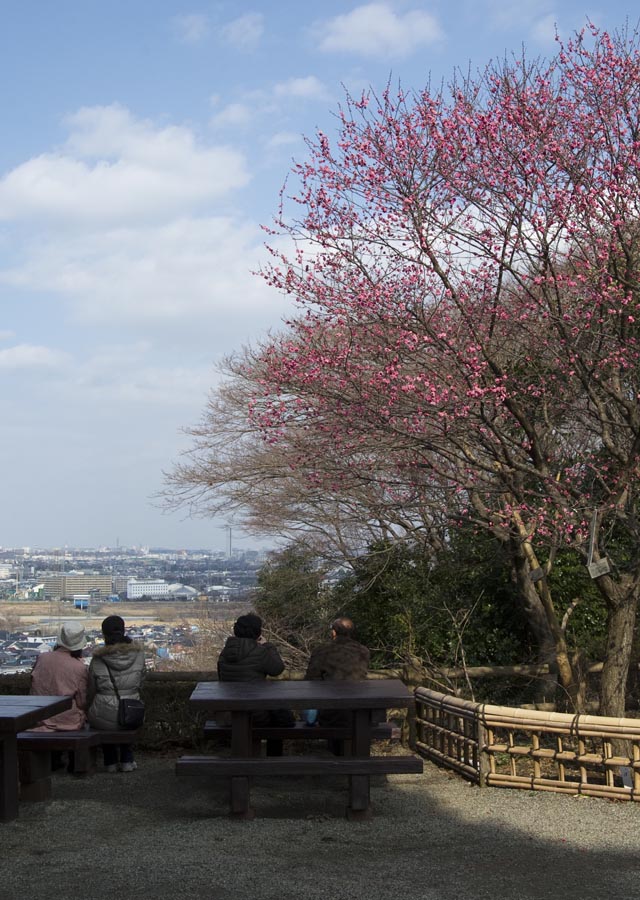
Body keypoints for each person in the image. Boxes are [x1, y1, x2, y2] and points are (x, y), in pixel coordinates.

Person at [217, 613, 294, 754]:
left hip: (229, 714)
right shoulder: (260, 651)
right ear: (258, 632)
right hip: (256, 713)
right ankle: (273, 759)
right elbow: (277, 669)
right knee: (280, 720)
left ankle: (243, 759)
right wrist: (268, 645)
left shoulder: (224, 653)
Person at [87, 615, 145, 773]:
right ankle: (127, 759)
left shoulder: (98, 658)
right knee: (126, 717)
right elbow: (141, 679)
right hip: (131, 708)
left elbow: (92, 686)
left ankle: (110, 761)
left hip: (103, 711)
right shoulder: (138, 654)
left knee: (104, 716)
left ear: (104, 634)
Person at [305, 617, 371, 737]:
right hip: (358, 711)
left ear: (334, 632)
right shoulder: (363, 651)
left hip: (329, 713)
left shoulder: (321, 651)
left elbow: (311, 679)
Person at [30, 621, 89, 732]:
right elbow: (82, 702)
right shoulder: (79, 667)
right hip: (67, 721)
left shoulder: (42, 658)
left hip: (39, 717)